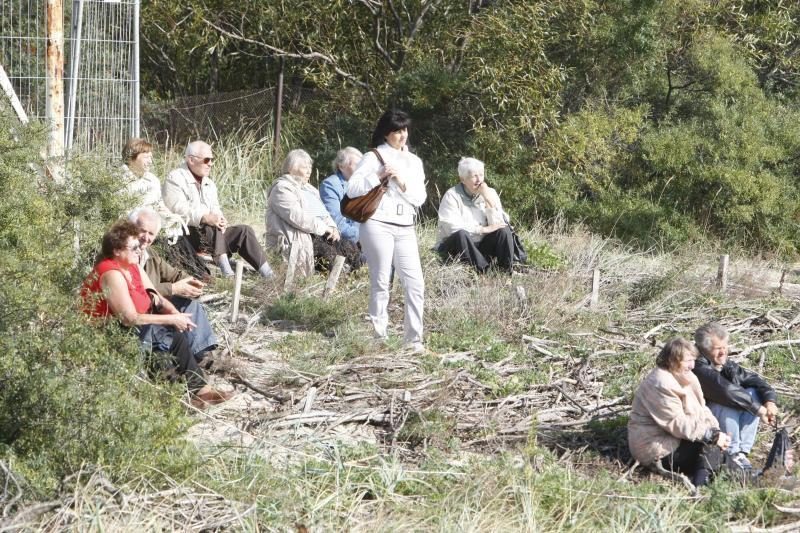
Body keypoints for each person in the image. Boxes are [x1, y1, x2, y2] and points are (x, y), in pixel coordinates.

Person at [81, 220, 232, 408]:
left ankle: (199, 391)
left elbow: (156, 297)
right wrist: (171, 319)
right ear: (117, 250)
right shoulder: (112, 273)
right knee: (161, 335)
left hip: (135, 327)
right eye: (134, 246)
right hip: (108, 331)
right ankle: (173, 397)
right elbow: (128, 318)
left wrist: (175, 313)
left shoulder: (132, 265)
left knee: (173, 335)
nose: (140, 249)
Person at [347, 110, 426, 353]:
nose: (402, 136)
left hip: (405, 225)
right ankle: (378, 335)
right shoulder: (374, 156)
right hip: (377, 223)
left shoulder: (414, 161)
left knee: (415, 283)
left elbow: (420, 198)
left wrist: (401, 182)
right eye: (396, 131)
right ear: (386, 133)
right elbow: (352, 189)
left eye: (404, 130)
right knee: (381, 280)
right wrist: (379, 175)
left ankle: (413, 339)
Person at [163, 140, 274, 279]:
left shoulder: (210, 183)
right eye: (207, 160)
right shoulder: (175, 178)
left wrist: (221, 219)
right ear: (191, 160)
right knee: (209, 223)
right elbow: (176, 209)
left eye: (212, 160)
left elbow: (216, 209)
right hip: (185, 235)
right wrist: (204, 217)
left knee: (244, 231)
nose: (211, 163)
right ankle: (228, 273)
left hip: (211, 237)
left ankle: (269, 275)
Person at [628, 338, 730, 487]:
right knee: (710, 448)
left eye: (693, 360)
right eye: (687, 361)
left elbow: (701, 409)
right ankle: (701, 486)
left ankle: (739, 476)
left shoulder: (686, 376)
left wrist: (715, 430)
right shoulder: (660, 383)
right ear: (672, 360)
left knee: (718, 450)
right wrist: (710, 436)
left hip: (677, 439)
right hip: (656, 448)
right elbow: (676, 422)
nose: (692, 365)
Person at [129, 207, 217, 361]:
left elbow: (173, 274)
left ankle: (201, 354)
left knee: (190, 305)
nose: (146, 237)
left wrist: (191, 282)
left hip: (156, 304)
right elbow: (135, 293)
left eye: (151, 234)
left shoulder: (151, 255)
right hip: (138, 312)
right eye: (142, 231)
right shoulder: (123, 254)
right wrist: (173, 288)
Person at [693, 322, 779, 471]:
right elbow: (725, 391)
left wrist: (769, 401)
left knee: (753, 392)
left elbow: (755, 380)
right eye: (718, 349)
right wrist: (759, 410)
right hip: (700, 424)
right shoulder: (697, 365)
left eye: (725, 347)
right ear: (704, 349)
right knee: (726, 401)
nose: (723, 352)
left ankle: (742, 452)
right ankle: (731, 452)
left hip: (722, 419)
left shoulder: (724, 363)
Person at [266, 149, 362, 276]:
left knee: (351, 249)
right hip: (299, 239)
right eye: (305, 167)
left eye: (310, 167)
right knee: (329, 255)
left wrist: (333, 227)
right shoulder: (281, 188)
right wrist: (324, 228)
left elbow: (324, 213)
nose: (309, 171)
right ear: (291, 168)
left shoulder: (310, 189)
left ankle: (353, 284)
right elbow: (297, 217)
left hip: (318, 234)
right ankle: (332, 287)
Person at [436, 157, 522, 273]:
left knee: (503, 230)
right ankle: (484, 271)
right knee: (461, 234)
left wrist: (488, 200)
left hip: (480, 246)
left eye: (481, 175)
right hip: (456, 247)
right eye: (474, 176)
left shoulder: (489, 192)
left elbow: (500, 223)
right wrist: (481, 229)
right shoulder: (452, 195)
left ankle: (505, 271)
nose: (479, 180)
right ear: (463, 179)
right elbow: (451, 227)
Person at [121, 137, 185, 243]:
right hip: (133, 232)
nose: (150, 162)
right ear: (131, 158)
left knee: (180, 239)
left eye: (151, 158)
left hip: (155, 229)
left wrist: (171, 218)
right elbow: (122, 213)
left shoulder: (153, 180)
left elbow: (159, 205)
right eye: (146, 157)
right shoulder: (119, 180)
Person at [320, 147, 363, 243]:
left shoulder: (361, 186)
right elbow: (337, 222)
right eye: (357, 165)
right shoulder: (330, 185)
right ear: (341, 166)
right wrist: (363, 237)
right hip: (346, 244)